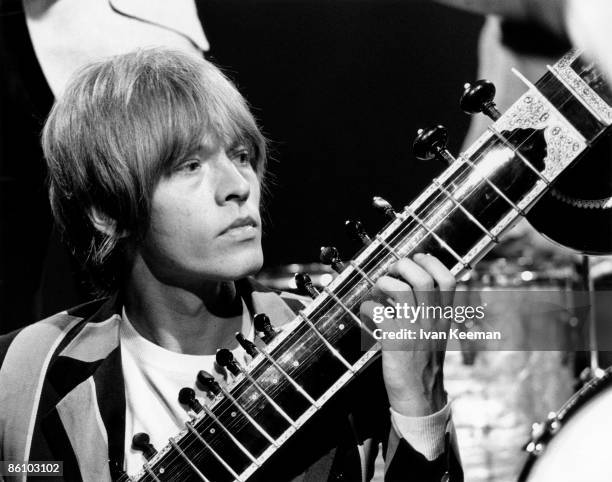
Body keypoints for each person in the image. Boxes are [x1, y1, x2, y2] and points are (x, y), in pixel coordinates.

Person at [0, 49, 462, 481]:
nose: (237, 185)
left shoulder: (344, 343)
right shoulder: (20, 373)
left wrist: (422, 408)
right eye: (188, 165)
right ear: (110, 213)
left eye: (241, 155)